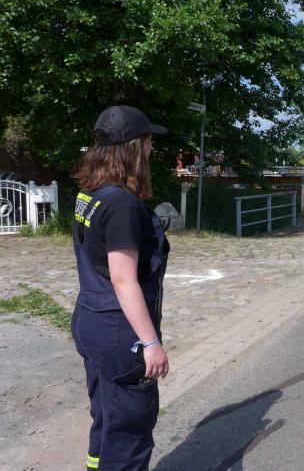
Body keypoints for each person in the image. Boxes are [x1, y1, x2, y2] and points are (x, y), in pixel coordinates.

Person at [71, 105, 170, 470]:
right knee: (128, 431)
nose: (151, 148)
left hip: (91, 320)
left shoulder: (91, 193)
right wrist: (151, 343)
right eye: (148, 141)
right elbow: (123, 278)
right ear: (134, 147)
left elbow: (97, 250)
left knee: (106, 416)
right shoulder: (123, 204)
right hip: (119, 333)